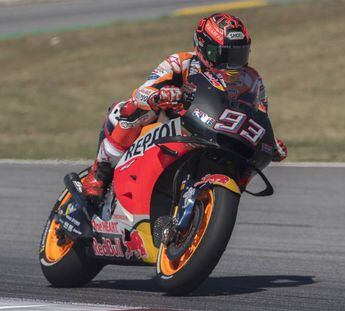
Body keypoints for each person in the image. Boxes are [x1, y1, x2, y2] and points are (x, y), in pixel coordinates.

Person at [82, 13, 288, 203]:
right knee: (124, 109)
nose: (232, 64)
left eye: (239, 55)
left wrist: (269, 142)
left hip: (218, 133)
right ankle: (100, 172)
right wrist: (160, 95)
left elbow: (259, 113)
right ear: (203, 47)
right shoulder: (180, 62)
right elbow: (142, 92)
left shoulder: (251, 78)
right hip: (172, 125)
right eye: (224, 55)